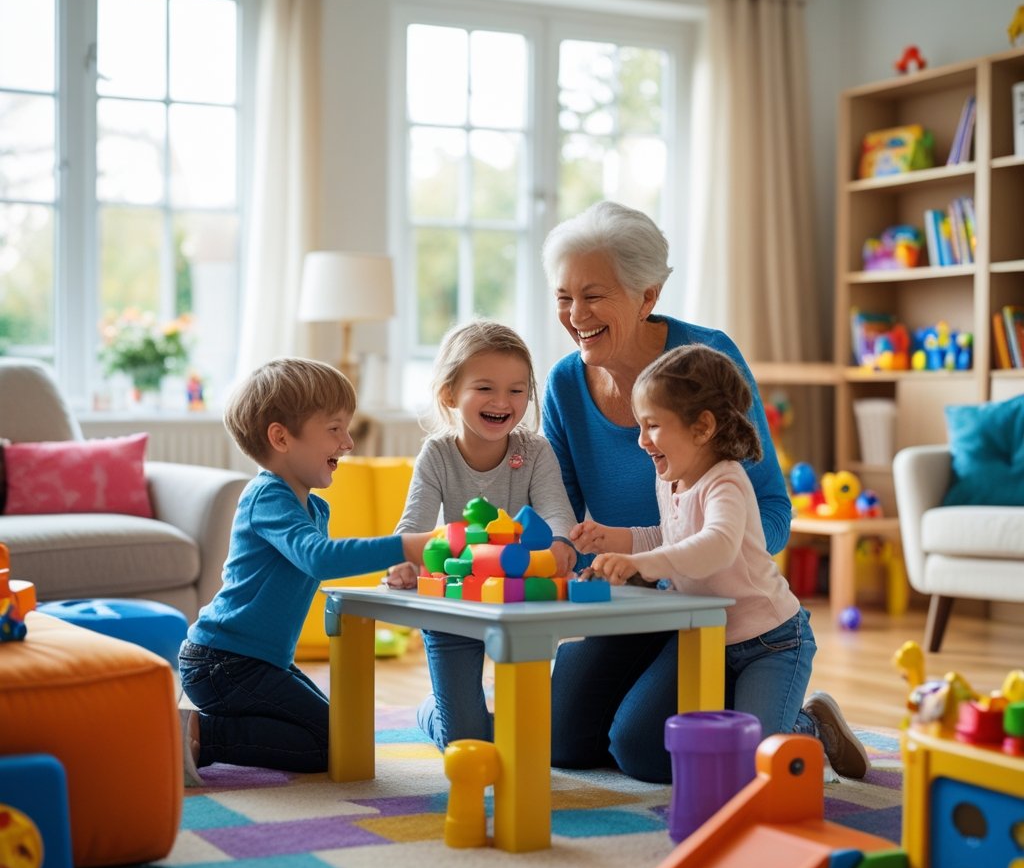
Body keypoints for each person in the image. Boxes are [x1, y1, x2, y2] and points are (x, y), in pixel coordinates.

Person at [541, 199, 864, 782]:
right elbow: (557, 511)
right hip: (634, 600)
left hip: (714, 605)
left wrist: (706, 567)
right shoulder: (565, 384)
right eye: (564, 297)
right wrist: (566, 554)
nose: (575, 314)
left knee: (641, 749)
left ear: (647, 297)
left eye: (593, 295)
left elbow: (769, 505)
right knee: (561, 741)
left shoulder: (704, 365)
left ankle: (798, 723)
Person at [577, 343, 867, 779]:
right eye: (640, 426)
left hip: (771, 643)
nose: (640, 440)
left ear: (702, 427)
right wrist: (616, 540)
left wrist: (648, 565)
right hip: (704, 640)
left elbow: (716, 545)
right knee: (639, 748)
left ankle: (811, 726)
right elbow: (671, 536)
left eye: (653, 425)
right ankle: (753, 715)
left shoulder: (725, 482)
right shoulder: (671, 480)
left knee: (752, 763)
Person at [177, 358, 434, 783]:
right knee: (334, 745)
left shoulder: (314, 507)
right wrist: (406, 544)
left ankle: (205, 730)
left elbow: (308, 571)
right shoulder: (266, 496)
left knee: (345, 735)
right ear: (280, 437)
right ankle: (200, 735)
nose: (348, 442)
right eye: (334, 429)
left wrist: (392, 575)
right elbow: (320, 558)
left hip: (258, 662)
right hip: (223, 663)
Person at [384, 320, 577, 751]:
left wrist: (562, 544)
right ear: (450, 394)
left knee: (528, 736)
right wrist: (404, 561)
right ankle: (431, 709)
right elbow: (412, 525)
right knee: (468, 740)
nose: (502, 402)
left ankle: (473, 715)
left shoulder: (536, 451)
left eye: (517, 390)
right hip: (456, 603)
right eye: (485, 388)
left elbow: (556, 512)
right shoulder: (437, 454)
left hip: (518, 602)